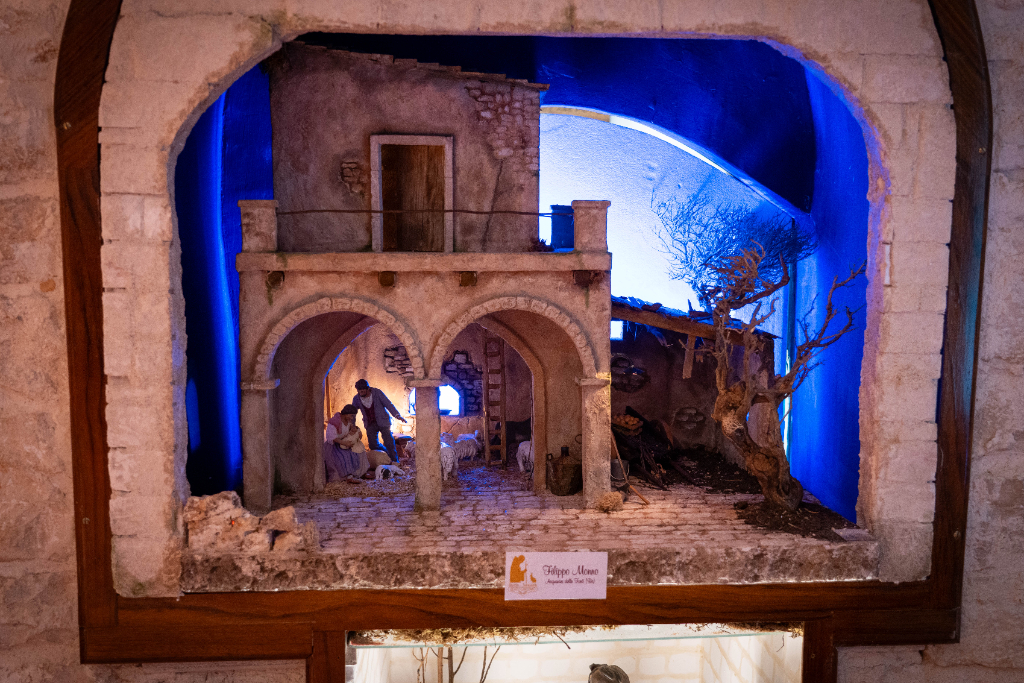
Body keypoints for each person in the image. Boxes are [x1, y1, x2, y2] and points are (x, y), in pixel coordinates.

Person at [352, 379, 407, 464]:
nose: (360, 392)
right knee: (373, 445)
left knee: (389, 442)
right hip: (370, 423)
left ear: (368, 389)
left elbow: (388, 404)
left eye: (362, 391)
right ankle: (386, 456)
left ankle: (395, 461)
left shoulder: (377, 393)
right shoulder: (356, 399)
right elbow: (352, 413)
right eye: (359, 391)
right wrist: (352, 425)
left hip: (383, 421)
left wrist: (397, 415)